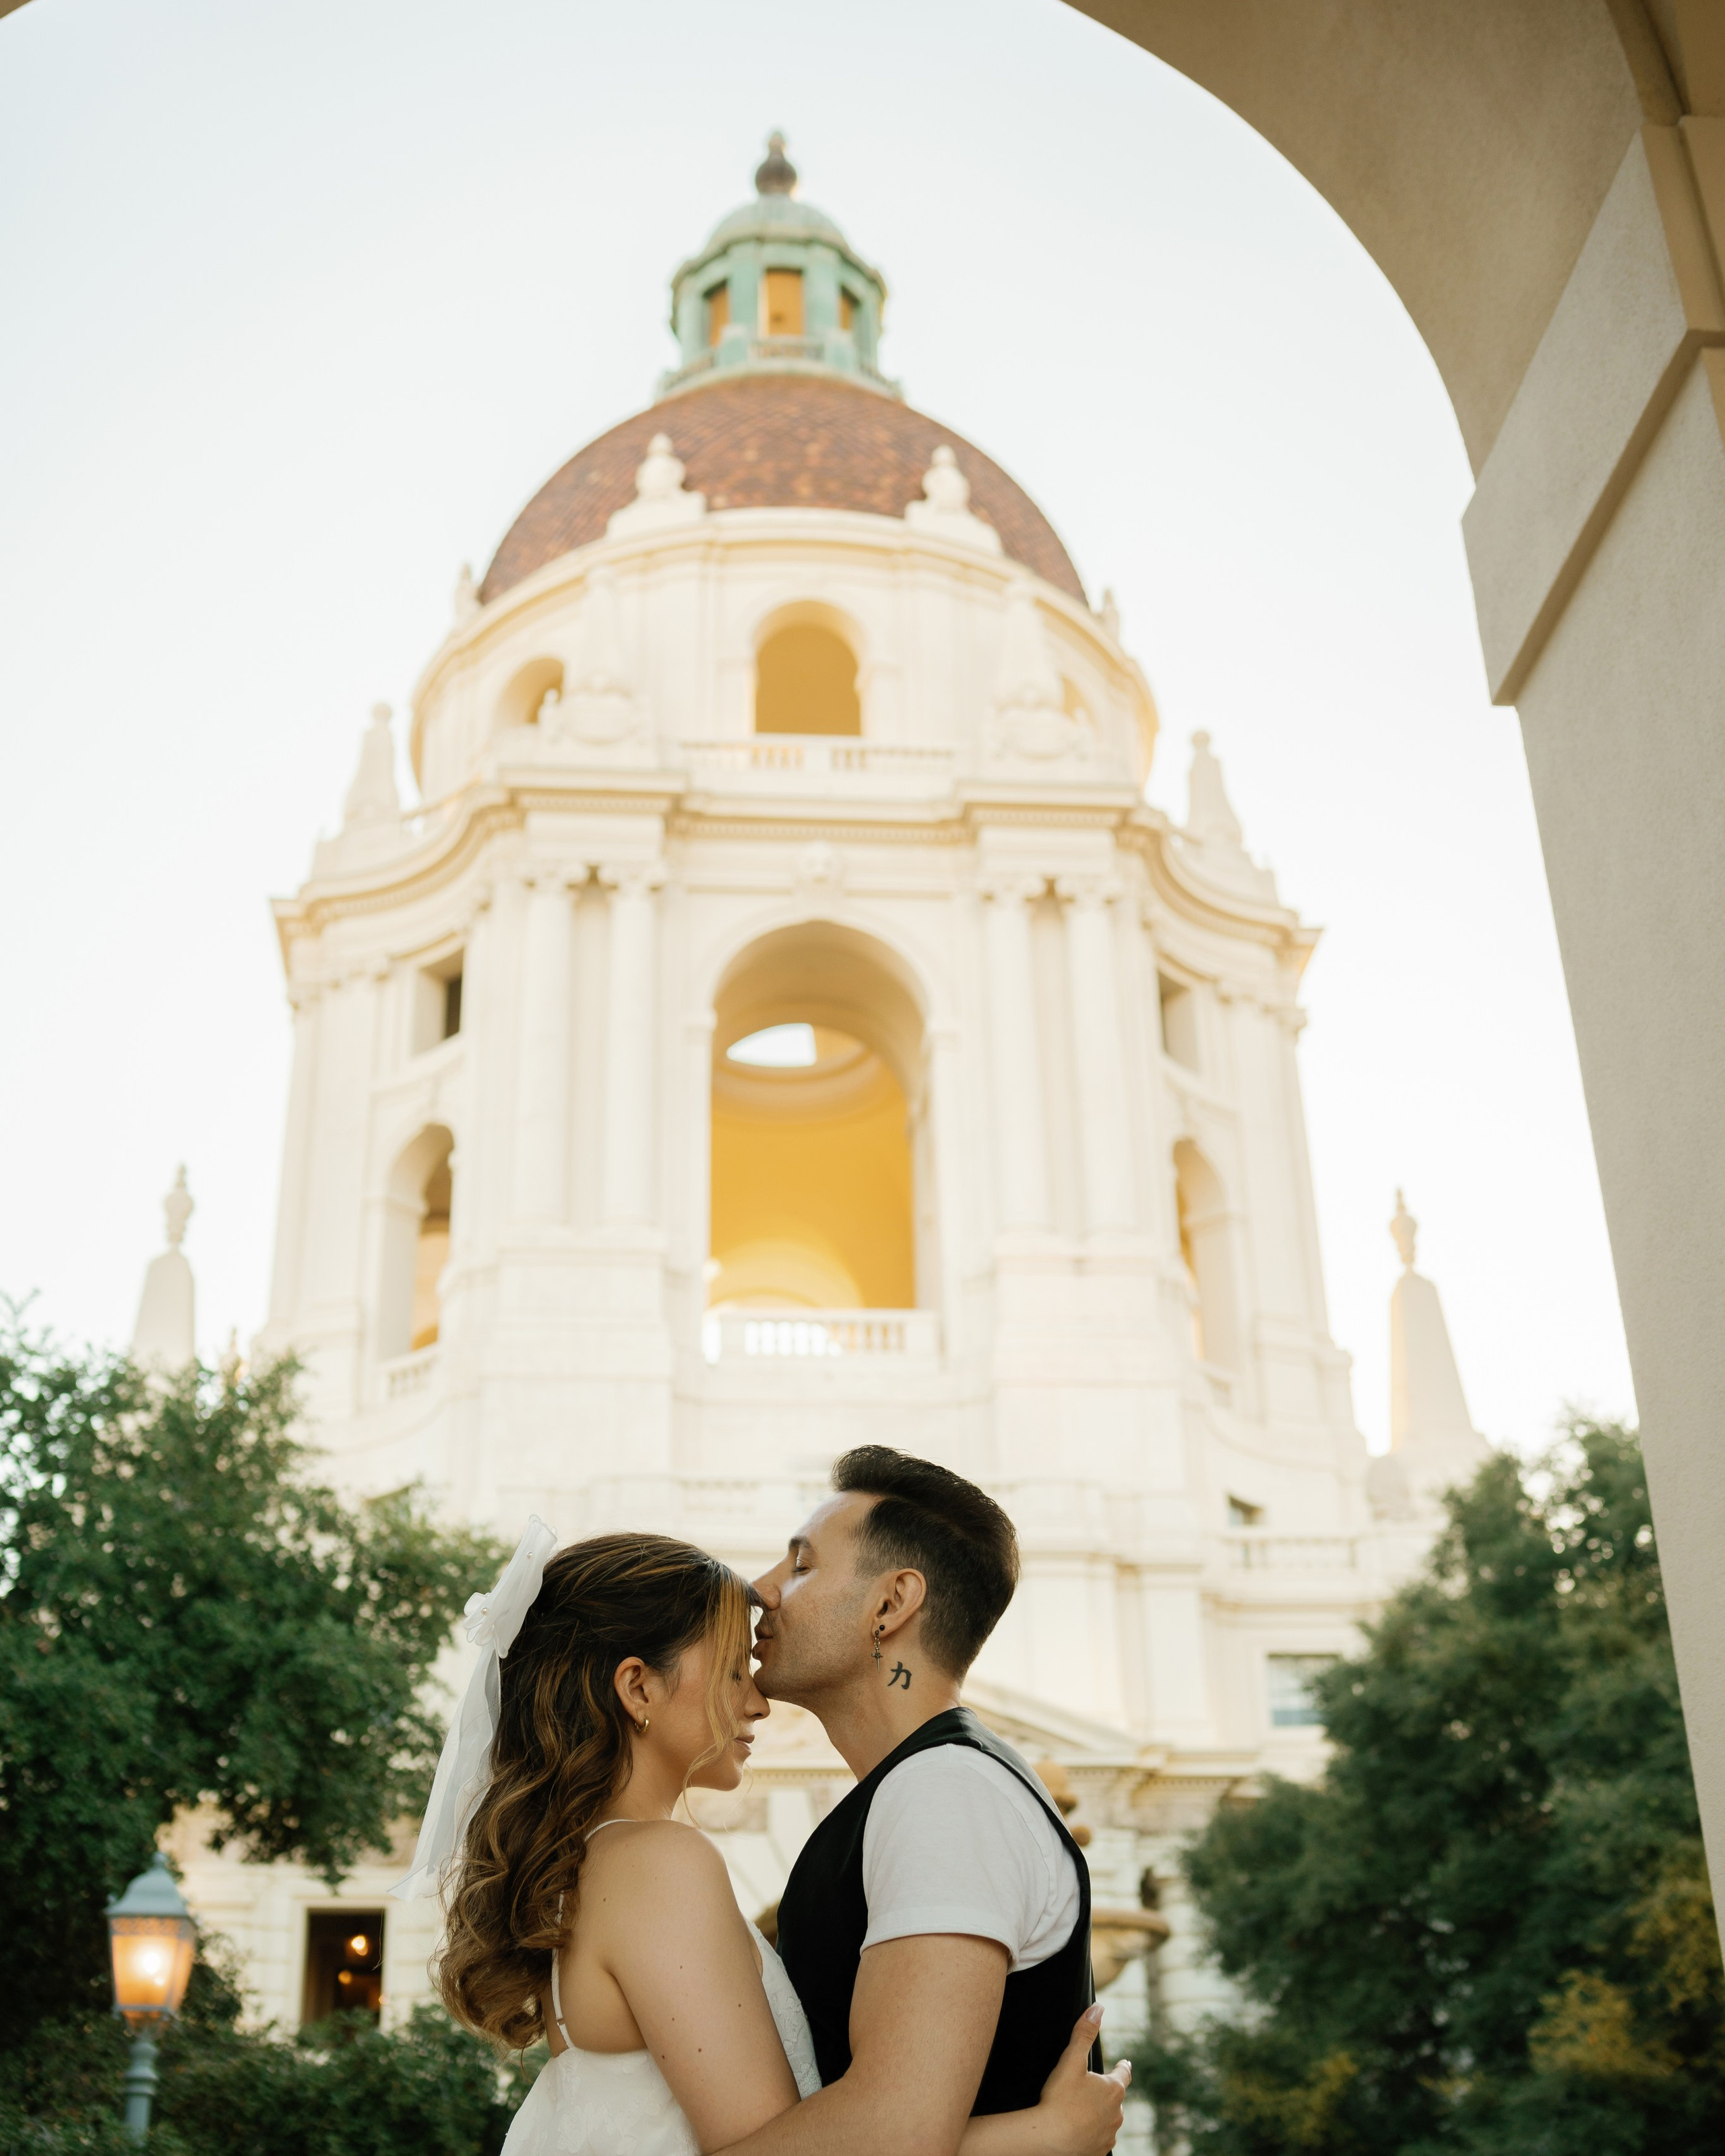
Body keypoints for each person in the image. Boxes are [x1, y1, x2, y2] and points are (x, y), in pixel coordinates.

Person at [406, 1522, 1129, 2156]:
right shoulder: (658, 1861)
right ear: (639, 1688)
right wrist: (1047, 2134)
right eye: (731, 1670)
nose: (758, 1701)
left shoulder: (597, 1860)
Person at [752, 1447, 1117, 2151]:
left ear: (891, 1603)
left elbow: (897, 2133)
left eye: (800, 1566)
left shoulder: (946, 1790)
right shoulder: (929, 1783)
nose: (762, 1589)